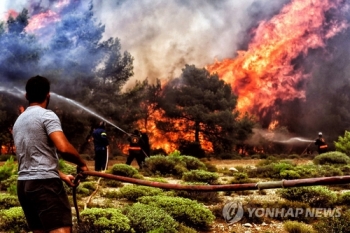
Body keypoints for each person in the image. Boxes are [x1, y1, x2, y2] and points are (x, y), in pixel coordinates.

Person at [12, 75, 89, 233]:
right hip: (44, 186)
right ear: (48, 94)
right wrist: (81, 164)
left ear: (26, 96)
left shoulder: (19, 121)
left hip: (24, 186)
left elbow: (33, 159)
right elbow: (64, 148)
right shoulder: (46, 115)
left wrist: (62, 176)